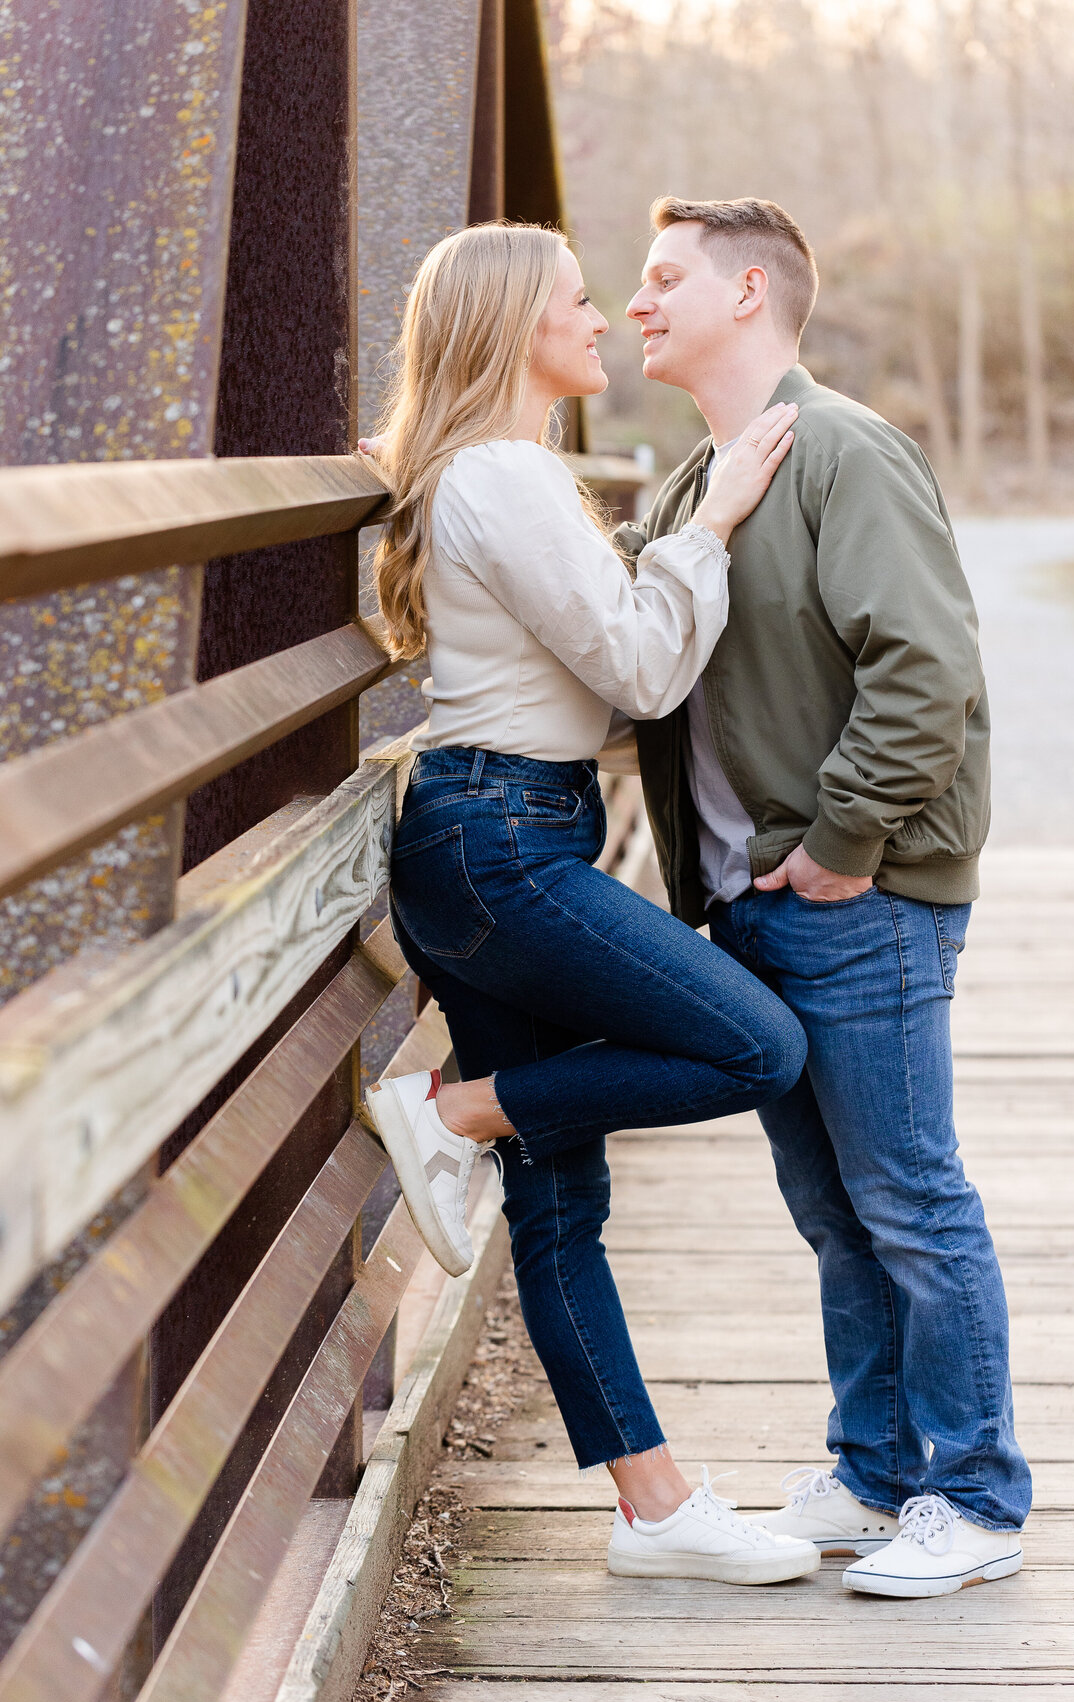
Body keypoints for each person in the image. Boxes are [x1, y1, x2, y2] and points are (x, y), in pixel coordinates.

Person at [361, 221, 817, 1586]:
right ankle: (453, 1110)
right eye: (577, 300)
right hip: (503, 847)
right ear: (514, 328)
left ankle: (653, 1509)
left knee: (559, 1206)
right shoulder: (502, 476)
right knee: (757, 1046)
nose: (606, 318)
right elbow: (635, 670)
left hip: (491, 835)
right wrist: (716, 522)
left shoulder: (509, 474)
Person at [616, 195, 1032, 1601]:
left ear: (750, 295)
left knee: (909, 1198)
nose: (636, 303)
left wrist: (849, 842)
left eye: (665, 277)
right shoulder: (690, 491)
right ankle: (874, 1470)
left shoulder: (846, 452)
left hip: (862, 898)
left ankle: (975, 1495)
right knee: (835, 1214)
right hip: (751, 910)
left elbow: (927, 668)